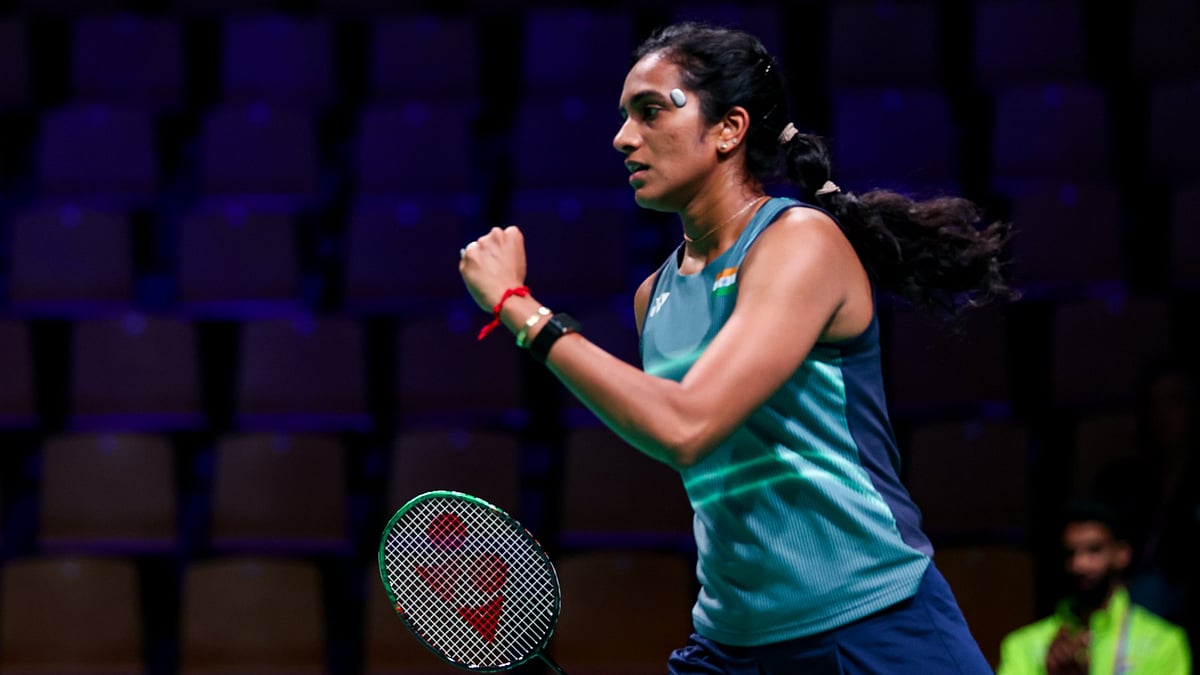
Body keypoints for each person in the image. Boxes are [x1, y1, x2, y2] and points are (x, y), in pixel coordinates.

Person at [459, 22, 1015, 674]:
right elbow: (702, 460)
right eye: (622, 117)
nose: (623, 137)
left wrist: (519, 308)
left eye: (651, 111)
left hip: (874, 626)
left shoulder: (798, 242)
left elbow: (687, 422)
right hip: (733, 643)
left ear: (729, 129)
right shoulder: (653, 296)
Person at [997, 500, 1192, 674]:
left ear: (1121, 554)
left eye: (1094, 550)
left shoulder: (1162, 643)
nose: (1079, 564)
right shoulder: (1023, 645)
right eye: (1069, 553)